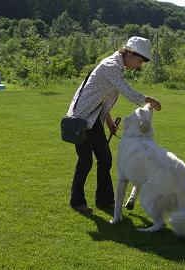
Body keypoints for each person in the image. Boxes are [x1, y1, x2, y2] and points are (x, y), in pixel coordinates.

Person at [66, 36, 161, 213]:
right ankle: (77, 201)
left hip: (94, 121)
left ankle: (105, 200)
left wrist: (109, 122)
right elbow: (127, 91)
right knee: (85, 161)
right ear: (129, 53)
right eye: (139, 60)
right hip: (80, 120)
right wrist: (149, 100)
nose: (139, 65)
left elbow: (102, 100)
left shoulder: (117, 67)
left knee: (105, 158)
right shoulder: (111, 66)